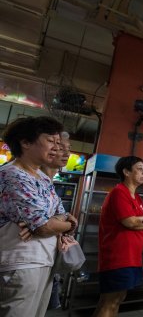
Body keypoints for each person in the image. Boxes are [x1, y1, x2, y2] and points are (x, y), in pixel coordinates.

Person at [0, 116, 77, 317]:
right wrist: (64, 224)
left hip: (44, 259)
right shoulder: (13, 175)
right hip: (21, 263)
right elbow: (43, 226)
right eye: (51, 141)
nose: (57, 147)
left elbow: (61, 214)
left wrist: (58, 221)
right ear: (25, 143)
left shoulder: (41, 177)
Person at [93, 156, 143, 317]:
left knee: (117, 299)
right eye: (139, 169)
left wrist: (141, 221)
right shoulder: (119, 193)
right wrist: (141, 222)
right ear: (126, 172)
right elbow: (130, 222)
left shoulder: (137, 197)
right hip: (117, 258)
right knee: (109, 301)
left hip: (132, 257)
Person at [39, 131, 72, 310]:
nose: (66, 153)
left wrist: (60, 222)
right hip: (24, 261)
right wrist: (52, 223)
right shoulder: (23, 178)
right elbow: (43, 225)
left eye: (69, 149)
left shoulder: (49, 185)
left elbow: (62, 220)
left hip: (48, 259)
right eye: (60, 147)